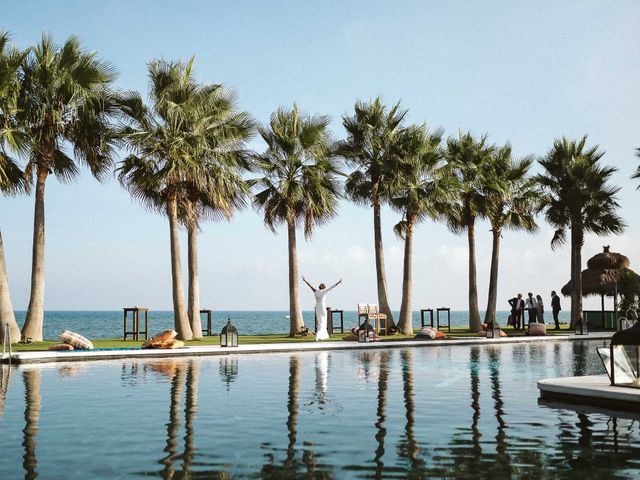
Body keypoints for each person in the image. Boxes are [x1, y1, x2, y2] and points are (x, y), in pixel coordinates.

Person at [303, 276, 342, 341]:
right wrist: (338, 282)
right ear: (324, 288)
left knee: (319, 321)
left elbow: (310, 286)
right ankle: (319, 335)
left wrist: (305, 280)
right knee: (323, 321)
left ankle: (320, 335)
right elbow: (332, 287)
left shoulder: (315, 292)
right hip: (322, 306)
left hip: (317, 307)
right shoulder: (324, 292)